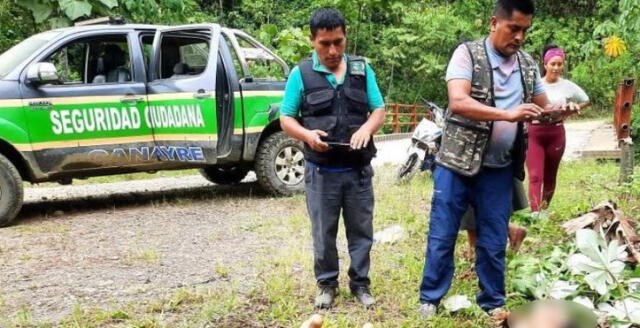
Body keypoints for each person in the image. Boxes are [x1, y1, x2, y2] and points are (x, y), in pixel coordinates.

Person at [418, 0, 562, 319]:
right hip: (456, 163)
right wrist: (508, 115)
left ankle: (492, 301)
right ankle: (430, 297)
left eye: (525, 30)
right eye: (514, 28)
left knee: (494, 238)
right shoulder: (467, 54)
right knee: (443, 232)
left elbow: (543, 108)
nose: (520, 37)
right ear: (494, 23)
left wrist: (559, 113)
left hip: (498, 167)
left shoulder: (526, 65)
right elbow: (458, 101)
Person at [279, 8, 386, 309]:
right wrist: (307, 136)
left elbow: (378, 109)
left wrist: (366, 128)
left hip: (358, 171)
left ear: (345, 37)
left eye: (338, 42)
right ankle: (326, 284)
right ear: (312, 40)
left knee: (361, 231)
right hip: (320, 171)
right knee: (323, 233)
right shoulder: (301, 74)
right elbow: (287, 118)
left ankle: (360, 284)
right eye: (325, 43)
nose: (333, 50)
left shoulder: (362, 70)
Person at [526, 45, 590, 213]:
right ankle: (534, 215)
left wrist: (570, 111)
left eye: (559, 64)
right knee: (534, 175)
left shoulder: (567, 85)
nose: (556, 68)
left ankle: (544, 210)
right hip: (534, 132)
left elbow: (585, 100)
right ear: (545, 64)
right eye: (552, 64)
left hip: (556, 133)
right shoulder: (535, 84)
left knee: (550, 175)